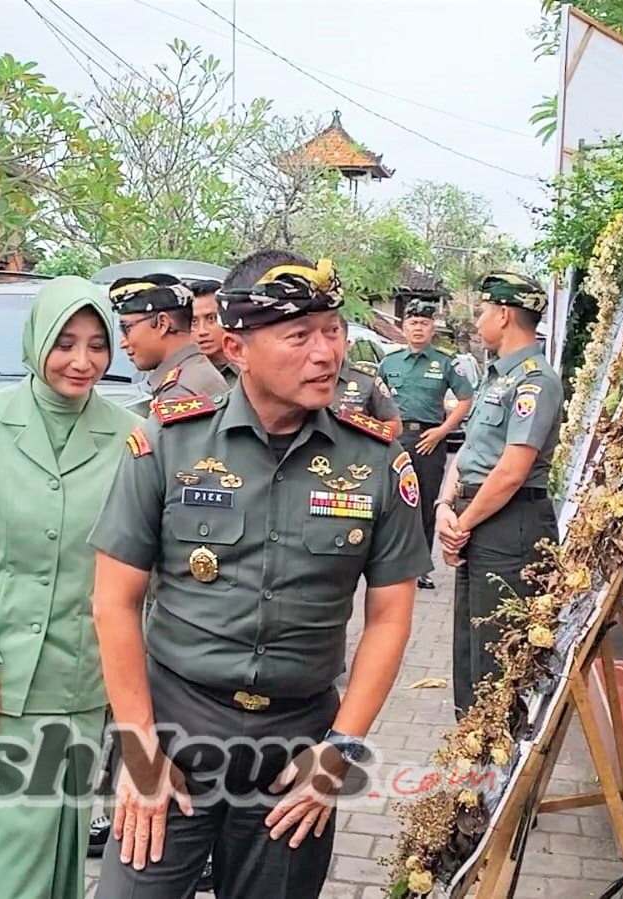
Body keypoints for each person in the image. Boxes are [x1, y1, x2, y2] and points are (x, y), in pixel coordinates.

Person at [89, 251, 430, 899]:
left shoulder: (378, 462)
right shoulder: (166, 444)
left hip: (296, 751)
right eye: (299, 336)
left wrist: (343, 748)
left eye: (332, 330)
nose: (325, 353)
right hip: (174, 733)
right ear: (238, 347)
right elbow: (113, 601)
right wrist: (137, 747)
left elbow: (389, 616)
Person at [0, 274, 139, 898]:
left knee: (57, 862)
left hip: (75, 686)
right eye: (65, 341)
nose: (82, 360)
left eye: (97, 344)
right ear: (36, 340)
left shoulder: (133, 435)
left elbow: (133, 563)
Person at [433, 272, 562, 720]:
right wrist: (444, 508)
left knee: (497, 653)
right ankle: (472, 758)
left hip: (511, 525)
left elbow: (511, 471)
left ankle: (494, 764)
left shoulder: (534, 381)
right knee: (470, 648)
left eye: (483, 310)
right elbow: (470, 450)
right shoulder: (497, 377)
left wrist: (461, 527)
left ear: (504, 314)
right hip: (476, 517)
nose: (478, 320)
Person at [378, 300, 474, 589]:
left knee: (424, 501)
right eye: (413, 323)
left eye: (424, 323)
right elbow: (374, 400)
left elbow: (465, 400)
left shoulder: (445, 363)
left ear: (433, 328)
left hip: (429, 441)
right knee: (390, 500)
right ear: (403, 327)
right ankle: (387, 560)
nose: (418, 328)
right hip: (395, 440)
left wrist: (443, 431)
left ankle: (421, 567)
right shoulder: (389, 363)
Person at [111, 273, 228, 417]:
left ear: (162, 324)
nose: (123, 343)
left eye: (127, 329)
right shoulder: (193, 373)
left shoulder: (180, 391)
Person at [335, 354, 401, 439]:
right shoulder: (312, 375)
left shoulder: (366, 379)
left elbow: (395, 426)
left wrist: (364, 433)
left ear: (346, 343)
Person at [189, 278, 235, 387]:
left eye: (211, 318)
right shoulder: (183, 378)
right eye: (193, 321)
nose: (202, 331)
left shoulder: (253, 368)